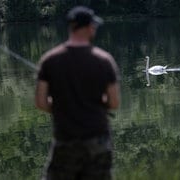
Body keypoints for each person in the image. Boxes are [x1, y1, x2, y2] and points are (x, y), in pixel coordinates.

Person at [35, 6, 120, 180]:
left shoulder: (49, 60)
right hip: (97, 140)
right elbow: (114, 103)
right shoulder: (104, 60)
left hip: (66, 140)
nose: (94, 29)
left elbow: (41, 102)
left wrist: (63, 107)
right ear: (89, 28)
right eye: (93, 26)